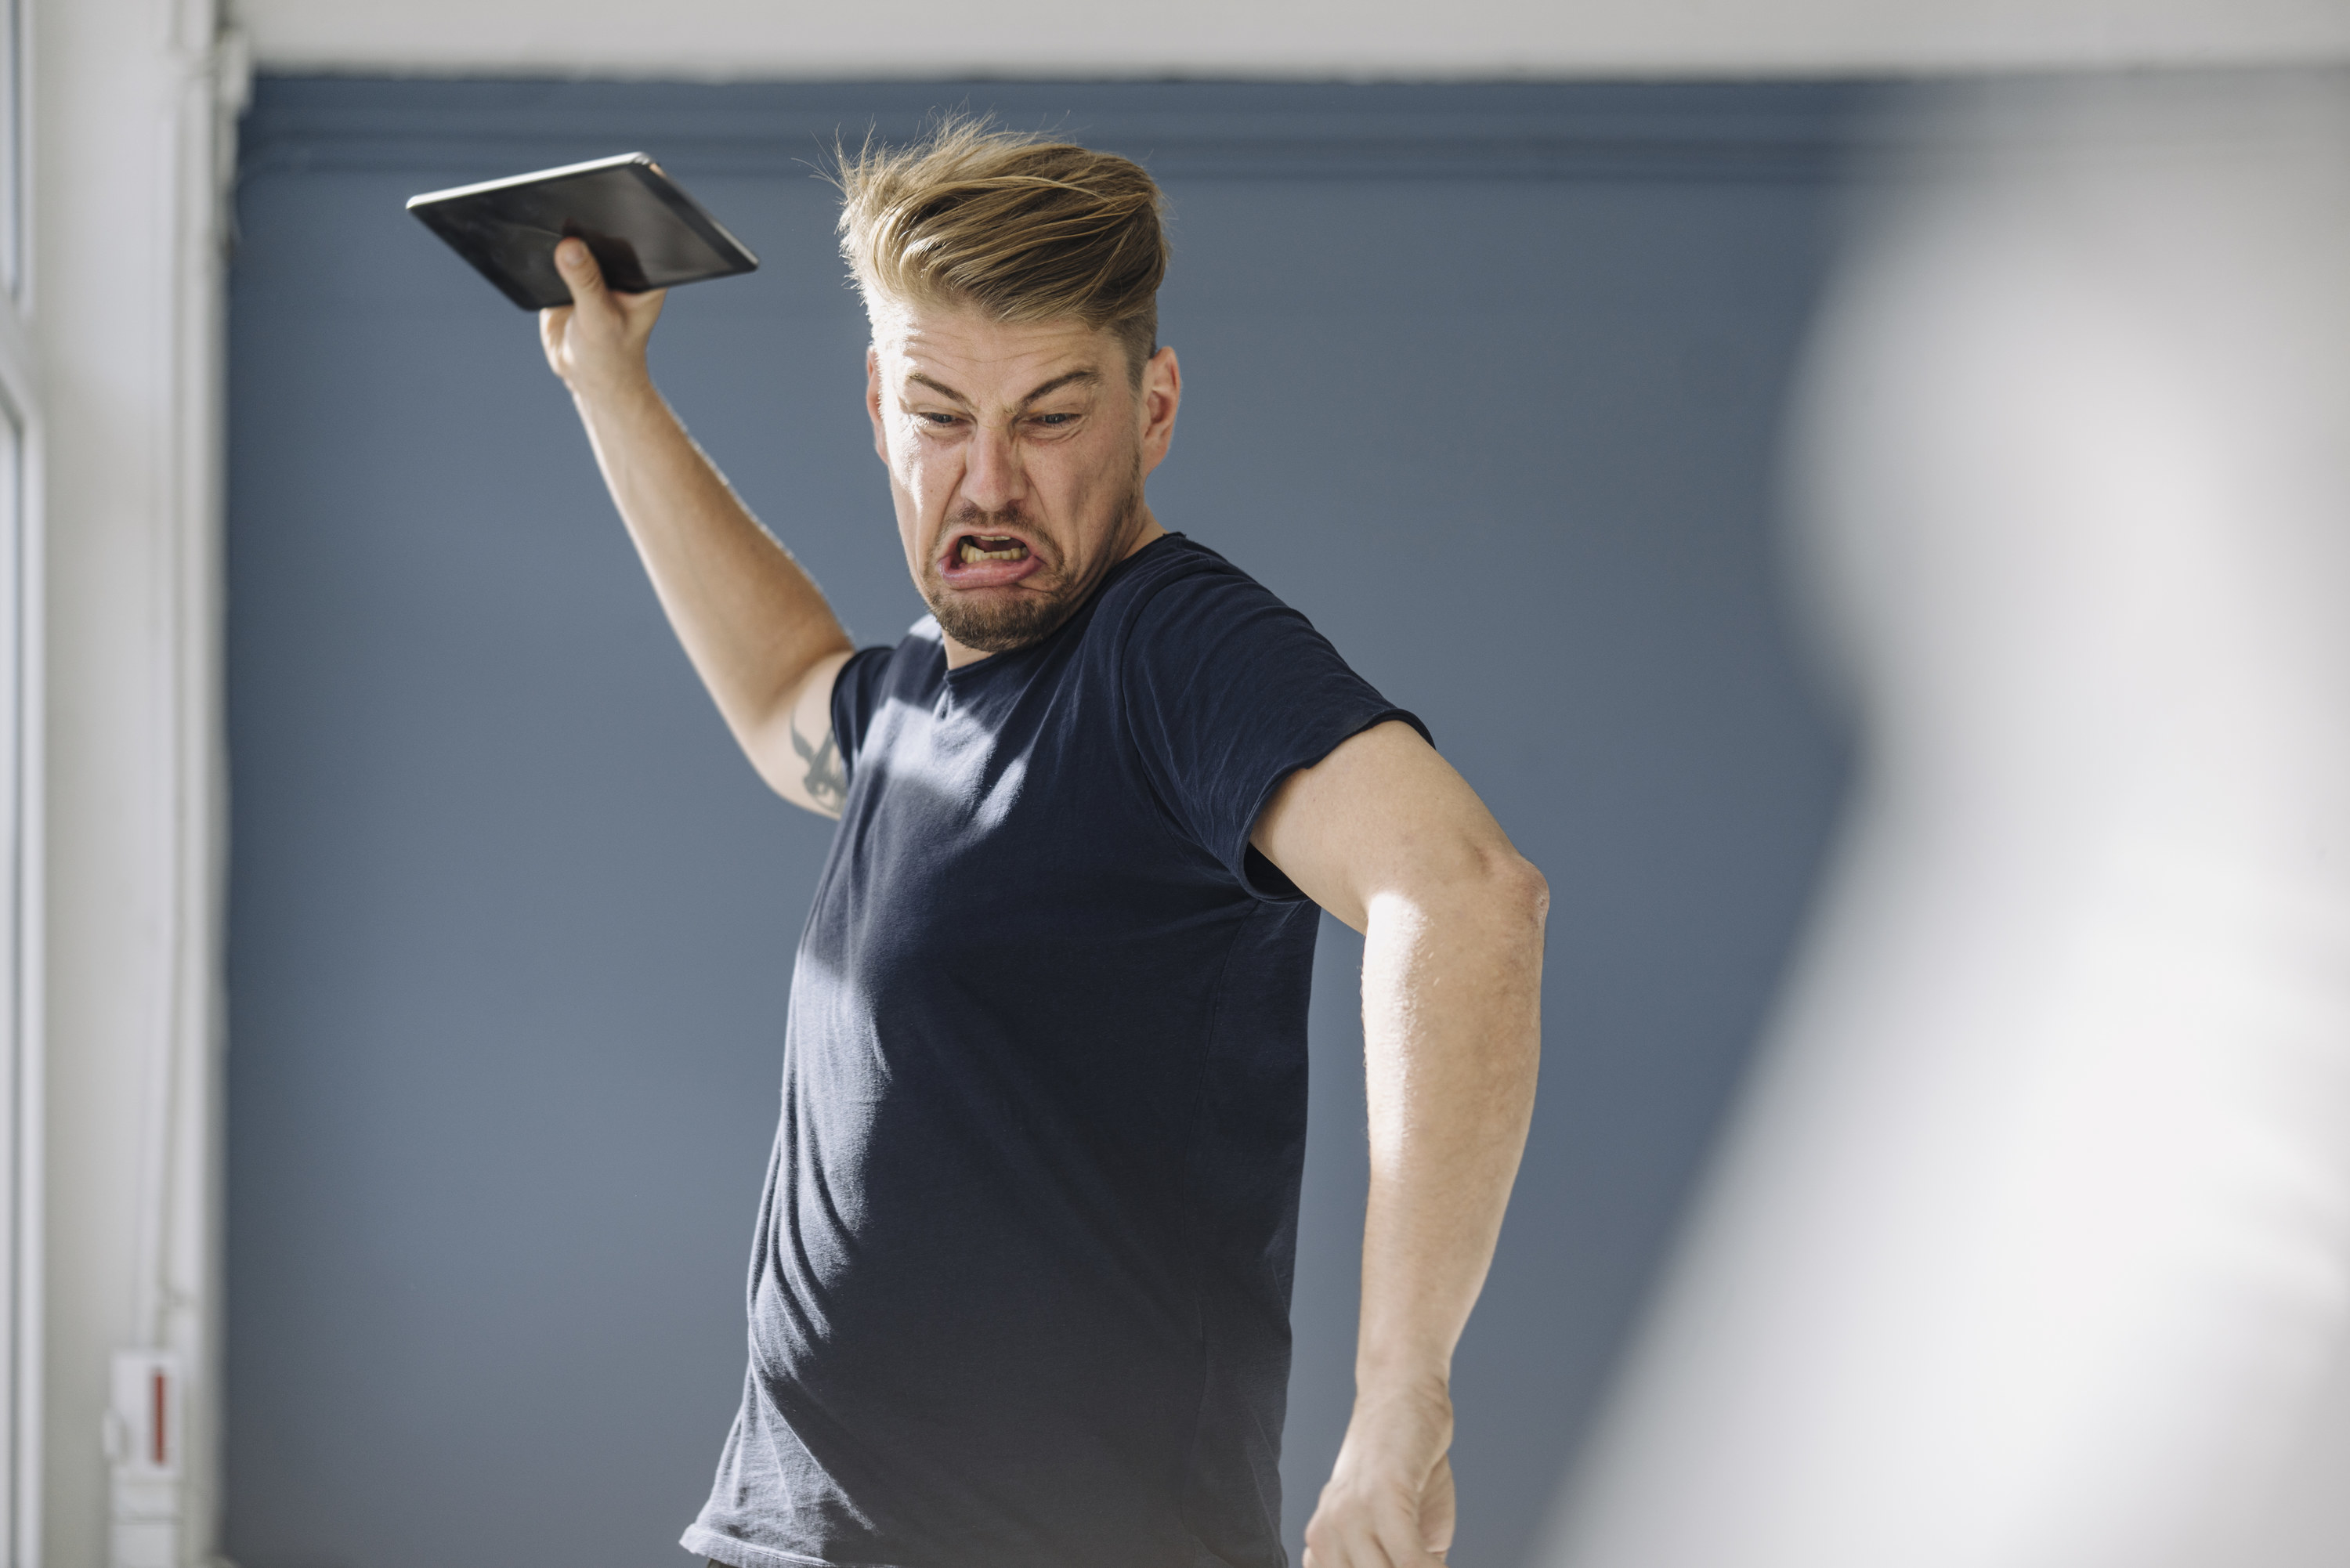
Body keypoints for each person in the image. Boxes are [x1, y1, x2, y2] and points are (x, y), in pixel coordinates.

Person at [537, 119, 1547, 1568]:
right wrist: (611, 387)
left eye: (1052, 415)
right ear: (881, 404)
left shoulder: (1171, 652)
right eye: (944, 415)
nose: (991, 482)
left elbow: (1465, 896)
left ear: (1156, 407)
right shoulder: (925, 707)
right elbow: (780, 696)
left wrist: (1401, 1404)